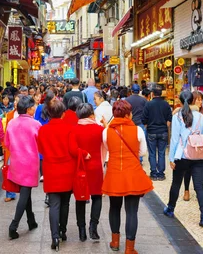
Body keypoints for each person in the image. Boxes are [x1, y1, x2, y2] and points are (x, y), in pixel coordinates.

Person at [102, 100, 153, 254]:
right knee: (132, 211)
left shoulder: (106, 131)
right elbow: (143, 152)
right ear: (128, 114)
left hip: (114, 173)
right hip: (132, 174)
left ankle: (115, 241)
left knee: (114, 208)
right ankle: (129, 248)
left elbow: (107, 147)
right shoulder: (138, 130)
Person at [164, 91, 203, 228]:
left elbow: (174, 139)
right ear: (192, 100)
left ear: (180, 101)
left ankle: (170, 208)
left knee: (176, 183)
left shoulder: (177, 116)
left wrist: (172, 158)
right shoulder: (200, 116)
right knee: (199, 187)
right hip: (198, 154)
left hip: (182, 155)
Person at [38, 100, 76, 252]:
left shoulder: (43, 130)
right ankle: (63, 231)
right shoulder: (69, 128)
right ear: (63, 113)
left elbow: (40, 148)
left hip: (51, 168)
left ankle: (54, 237)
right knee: (65, 203)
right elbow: (73, 149)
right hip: (67, 168)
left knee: (54, 204)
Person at [6, 96, 42, 240]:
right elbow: (41, 144)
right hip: (30, 163)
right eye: (33, 106)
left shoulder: (11, 123)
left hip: (16, 161)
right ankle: (13, 226)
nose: (35, 108)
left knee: (25, 192)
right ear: (28, 109)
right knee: (25, 193)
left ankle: (31, 220)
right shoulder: (35, 124)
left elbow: (7, 143)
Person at [69, 103, 105, 242]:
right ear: (91, 114)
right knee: (97, 197)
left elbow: (72, 149)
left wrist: (82, 153)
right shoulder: (99, 129)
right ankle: (93, 226)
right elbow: (108, 140)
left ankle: (82, 230)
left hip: (80, 168)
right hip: (96, 167)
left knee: (80, 198)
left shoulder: (74, 130)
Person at [182, 91, 203, 200]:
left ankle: (199, 189)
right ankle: (186, 190)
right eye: (197, 99)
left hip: (201, 145)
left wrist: (202, 138)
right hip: (189, 146)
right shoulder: (186, 113)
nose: (199, 102)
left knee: (202, 170)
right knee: (187, 170)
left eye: (201, 100)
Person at [142, 85, 173, 181]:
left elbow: (144, 119)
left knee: (152, 153)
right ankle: (161, 173)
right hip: (163, 131)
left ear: (152, 94)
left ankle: (153, 173)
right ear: (161, 93)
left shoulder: (148, 104)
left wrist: (148, 126)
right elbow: (169, 118)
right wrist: (165, 126)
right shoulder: (166, 104)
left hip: (151, 131)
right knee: (161, 152)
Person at [4, 95, 21, 202]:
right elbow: (6, 131)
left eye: (17, 101)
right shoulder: (10, 114)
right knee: (9, 169)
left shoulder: (27, 116)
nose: (15, 103)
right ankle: (10, 193)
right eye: (15, 101)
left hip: (22, 147)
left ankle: (23, 190)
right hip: (11, 146)